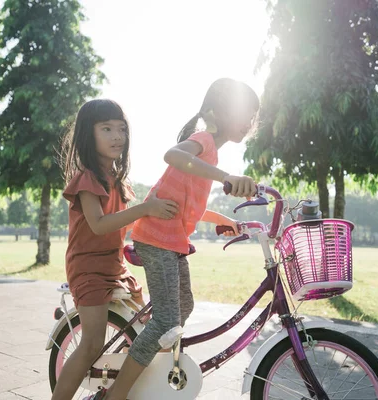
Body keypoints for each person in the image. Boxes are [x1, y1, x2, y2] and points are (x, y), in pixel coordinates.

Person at [88, 78, 260, 400]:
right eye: (244, 112)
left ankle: (144, 350)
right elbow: (172, 154)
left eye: (253, 116)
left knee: (184, 306)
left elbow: (190, 206)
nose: (249, 122)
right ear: (219, 112)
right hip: (157, 238)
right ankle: (117, 395)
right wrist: (226, 178)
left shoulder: (210, 156)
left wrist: (224, 220)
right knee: (168, 320)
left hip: (172, 239)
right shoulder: (204, 141)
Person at [51, 99, 179, 400]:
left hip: (114, 265)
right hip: (88, 267)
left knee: (149, 326)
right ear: (88, 134)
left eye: (121, 129)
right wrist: (146, 208)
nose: (116, 136)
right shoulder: (87, 178)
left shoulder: (117, 180)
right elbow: (98, 224)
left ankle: (118, 378)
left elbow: (123, 225)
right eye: (106, 128)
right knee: (92, 343)